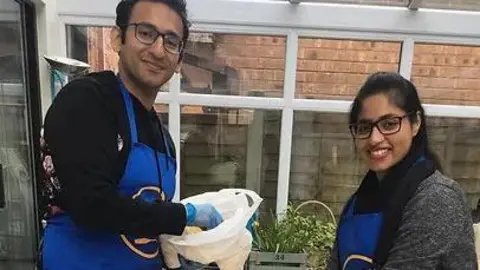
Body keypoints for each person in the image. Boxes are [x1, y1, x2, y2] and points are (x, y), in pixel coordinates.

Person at [39, 0, 224, 269]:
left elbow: (150, 222)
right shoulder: (87, 100)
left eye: (171, 41)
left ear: (179, 61)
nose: (159, 50)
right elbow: (91, 204)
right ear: (117, 38)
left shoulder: (163, 139)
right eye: (146, 33)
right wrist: (186, 214)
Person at [327, 72, 477, 269]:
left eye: (389, 124)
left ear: (415, 123)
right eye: (364, 127)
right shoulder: (357, 202)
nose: (374, 139)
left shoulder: (437, 198)